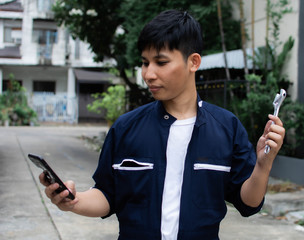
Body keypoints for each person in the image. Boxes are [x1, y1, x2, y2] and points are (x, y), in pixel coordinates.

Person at [40, 9, 285, 240]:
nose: (148, 74)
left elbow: (249, 203)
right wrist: (74, 201)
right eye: (145, 63)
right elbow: (106, 195)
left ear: (193, 62)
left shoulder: (226, 128)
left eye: (161, 62)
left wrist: (263, 165)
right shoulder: (126, 128)